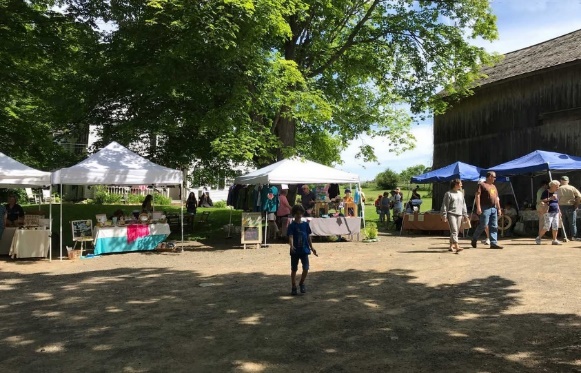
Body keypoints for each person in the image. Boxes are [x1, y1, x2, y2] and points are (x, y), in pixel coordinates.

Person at [287, 205, 317, 295]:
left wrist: (312, 247)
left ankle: (301, 283)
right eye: (297, 214)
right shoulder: (292, 226)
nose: (299, 216)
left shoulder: (305, 225)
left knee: (306, 268)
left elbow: (308, 236)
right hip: (295, 250)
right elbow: (290, 236)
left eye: (300, 214)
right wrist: (291, 245)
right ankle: (293, 286)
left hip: (304, 250)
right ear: (294, 214)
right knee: (294, 269)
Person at [471, 172, 503, 249]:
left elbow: (497, 198)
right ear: (490, 177)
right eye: (494, 177)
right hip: (485, 207)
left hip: (493, 208)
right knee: (483, 224)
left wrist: (499, 208)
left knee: (494, 226)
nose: (495, 178)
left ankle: (493, 243)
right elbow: (477, 196)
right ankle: (474, 238)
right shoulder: (481, 185)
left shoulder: (494, 187)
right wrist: (478, 207)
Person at [441, 179, 469, 253]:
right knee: (454, 230)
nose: (461, 185)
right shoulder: (448, 194)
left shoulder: (461, 193)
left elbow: (463, 205)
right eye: (460, 183)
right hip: (451, 214)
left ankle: (451, 246)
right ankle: (457, 246)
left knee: (455, 231)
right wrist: (444, 215)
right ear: (455, 184)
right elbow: (445, 205)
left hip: (459, 214)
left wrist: (465, 214)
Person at [536, 180, 562, 245]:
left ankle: (554, 240)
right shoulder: (546, 192)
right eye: (556, 186)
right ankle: (539, 237)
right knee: (547, 226)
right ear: (552, 186)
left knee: (555, 226)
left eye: (558, 186)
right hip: (548, 211)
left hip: (556, 211)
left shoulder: (556, 192)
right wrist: (550, 198)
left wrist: (559, 211)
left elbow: (557, 202)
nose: (558, 188)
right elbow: (542, 200)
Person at [556, 176, 580, 240]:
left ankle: (564, 236)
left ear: (560, 181)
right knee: (572, 222)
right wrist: (576, 204)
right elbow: (579, 196)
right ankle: (573, 236)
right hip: (570, 206)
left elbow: (555, 198)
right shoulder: (572, 188)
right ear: (568, 181)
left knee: (563, 222)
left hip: (561, 206)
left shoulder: (558, 188)